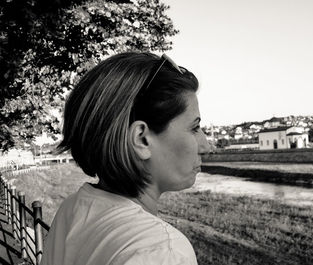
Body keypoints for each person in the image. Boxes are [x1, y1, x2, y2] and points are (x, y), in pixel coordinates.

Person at [41, 52, 210, 265]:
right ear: (142, 139)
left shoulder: (73, 210)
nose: (206, 145)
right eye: (194, 127)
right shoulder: (161, 252)